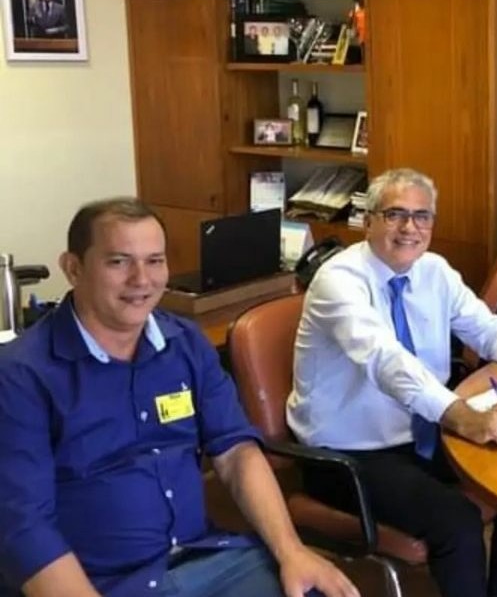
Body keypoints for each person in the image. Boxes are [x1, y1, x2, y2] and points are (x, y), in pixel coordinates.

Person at [0, 198, 358, 597]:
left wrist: (292, 552)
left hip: (205, 557)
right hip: (103, 582)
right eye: (119, 262)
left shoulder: (185, 342)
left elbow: (235, 452)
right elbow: (23, 525)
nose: (141, 279)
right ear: (73, 268)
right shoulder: (21, 374)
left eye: (154, 261)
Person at [287, 168, 497, 597]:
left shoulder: (434, 271)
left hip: (422, 432)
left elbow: (486, 329)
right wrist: (463, 417)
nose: (410, 228)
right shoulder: (339, 281)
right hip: (348, 452)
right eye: (395, 214)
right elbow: (386, 361)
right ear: (368, 221)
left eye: (421, 216)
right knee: (456, 521)